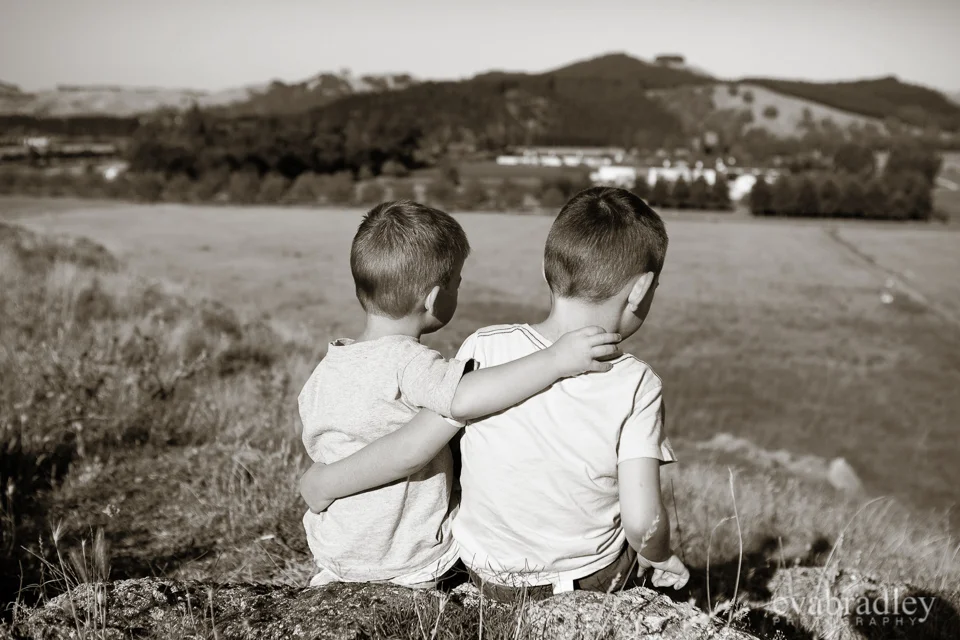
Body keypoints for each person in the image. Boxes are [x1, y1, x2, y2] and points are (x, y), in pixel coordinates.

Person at [304, 188, 688, 599]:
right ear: (640, 290)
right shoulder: (636, 383)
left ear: (548, 273)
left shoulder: (481, 348)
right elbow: (641, 519)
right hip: (574, 579)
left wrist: (322, 480)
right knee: (649, 567)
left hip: (484, 572)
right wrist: (661, 555)